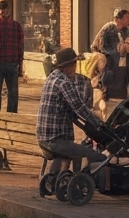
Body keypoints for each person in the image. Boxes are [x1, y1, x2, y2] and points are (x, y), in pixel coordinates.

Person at [36, 47, 109, 188]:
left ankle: (53, 181)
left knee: (67, 151)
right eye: (75, 64)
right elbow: (79, 108)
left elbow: (70, 110)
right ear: (69, 66)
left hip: (43, 136)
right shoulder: (65, 82)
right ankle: (79, 182)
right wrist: (98, 124)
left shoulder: (52, 77)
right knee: (89, 153)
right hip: (56, 139)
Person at [91, 9, 129, 106]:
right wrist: (119, 49)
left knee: (122, 87)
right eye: (126, 17)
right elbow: (103, 47)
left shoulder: (126, 30)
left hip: (121, 64)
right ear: (119, 19)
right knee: (111, 90)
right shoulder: (109, 29)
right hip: (110, 64)